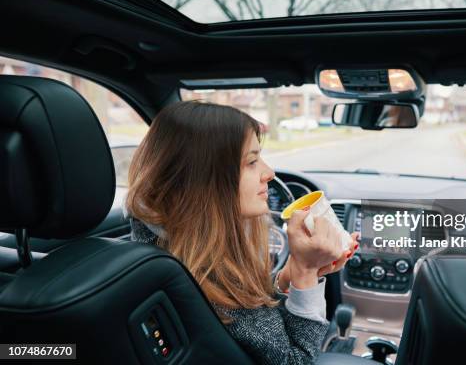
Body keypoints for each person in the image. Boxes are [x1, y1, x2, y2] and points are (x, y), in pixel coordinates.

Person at [124, 101, 359, 364]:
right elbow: (296, 360)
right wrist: (305, 272)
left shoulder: (165, 250)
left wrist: (287, 278)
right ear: (203, 180)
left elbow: (258, 321)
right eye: (252, 161)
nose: (268, 173)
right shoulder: (205, 282)